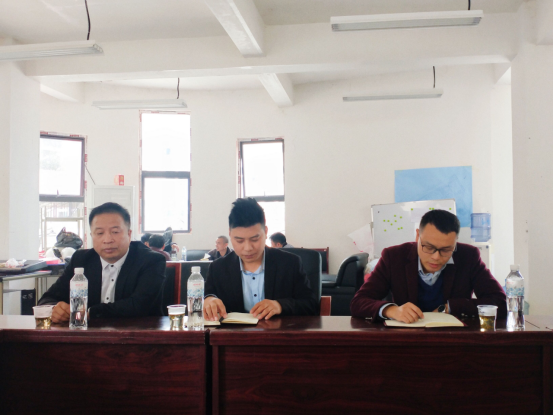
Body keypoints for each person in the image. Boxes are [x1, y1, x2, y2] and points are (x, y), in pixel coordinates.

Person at [350, 209, 507, 323]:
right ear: (417, 236)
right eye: (429, 247)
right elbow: (359, 302)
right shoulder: (394, 257)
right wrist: (391, 310)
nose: (436, 257)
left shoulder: (468, 256)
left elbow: (499, 303)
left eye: (446, 250)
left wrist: (451, 307)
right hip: (406, 340)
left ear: (455, 243)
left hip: (454, 341)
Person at [38, 202, 166, 322]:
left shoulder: (151, 261)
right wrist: (55, 309)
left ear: (129, 234)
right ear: (91, 236)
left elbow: (138, 305)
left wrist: (89, 313)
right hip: (87, 335)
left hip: (138, 335)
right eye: (99, 233)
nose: (107, 240)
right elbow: (47, 299)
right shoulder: (81, 260)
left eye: (115, 232)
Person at [204, 198, 318, 321]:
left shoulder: (290, 263)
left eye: (254, 239)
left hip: (279, 332)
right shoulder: (218, 268)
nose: (248, 248)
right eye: (239, 241)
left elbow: (310, 304)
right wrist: (209, 300)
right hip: (235, 333)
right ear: (230, 234)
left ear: (266, 232)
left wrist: (280, 305)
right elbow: (208, 296)